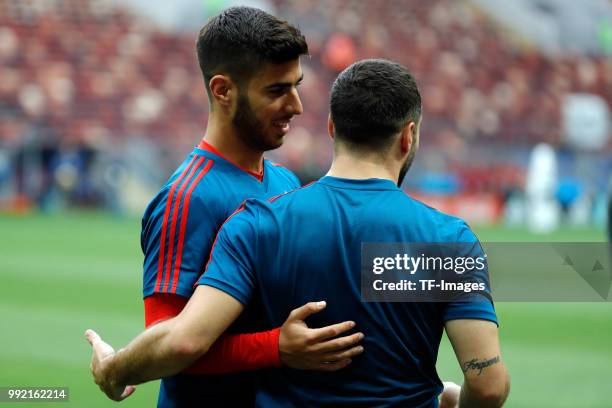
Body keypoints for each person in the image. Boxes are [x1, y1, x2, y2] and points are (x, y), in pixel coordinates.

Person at [87, 59, 510, 407]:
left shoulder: (255, 224)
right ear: (408, 135)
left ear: (331, 128)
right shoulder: (447, 239)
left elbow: (183, 339)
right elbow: (489, 386)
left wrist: (114, 369)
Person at [137, 6, 363, 407]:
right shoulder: (186, 198)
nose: (296, 106)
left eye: (296, 86)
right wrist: (274, 346)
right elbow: (167, 349)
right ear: (223, 90)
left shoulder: (286, 182)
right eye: (277, 91)